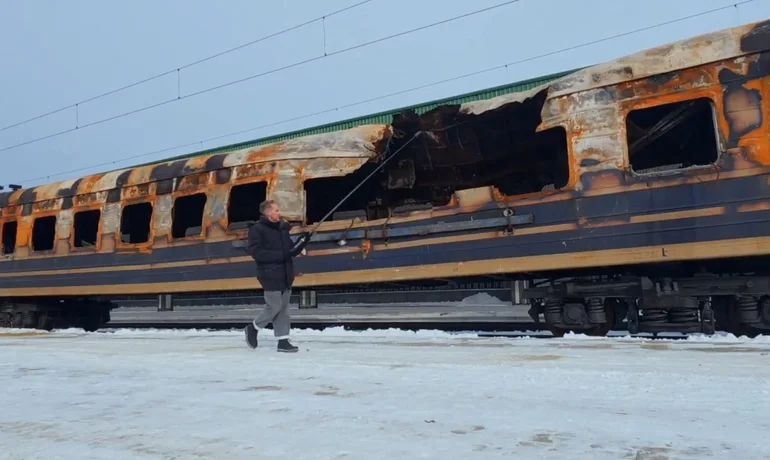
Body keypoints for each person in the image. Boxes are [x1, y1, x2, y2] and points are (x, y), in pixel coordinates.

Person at [244, 199, 310, 352]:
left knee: (283, 309)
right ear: (267, 212)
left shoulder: (282, 229)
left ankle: (283, 341)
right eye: (276, 210)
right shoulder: (257, 229)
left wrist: (302, 242)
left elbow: (289, 249)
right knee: (274, 306)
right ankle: (253, 328)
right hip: (269, 273)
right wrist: (282, 255)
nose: (279, 213)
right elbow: (257, 253)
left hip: (286, 273)